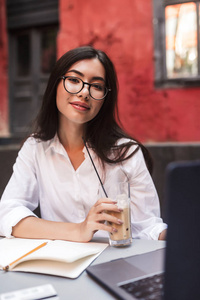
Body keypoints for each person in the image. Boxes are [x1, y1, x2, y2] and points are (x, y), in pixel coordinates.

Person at [0, 46, 167, 241]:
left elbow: (149, 227)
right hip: (59, 266)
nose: (84, 92)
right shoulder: (35, 148)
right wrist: (79, 230)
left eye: (96, 86)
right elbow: (7, 214)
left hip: (113, 264)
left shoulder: (125, 152)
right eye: (73, 80)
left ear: (105, 98)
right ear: (55, 84)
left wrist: (180, 235)